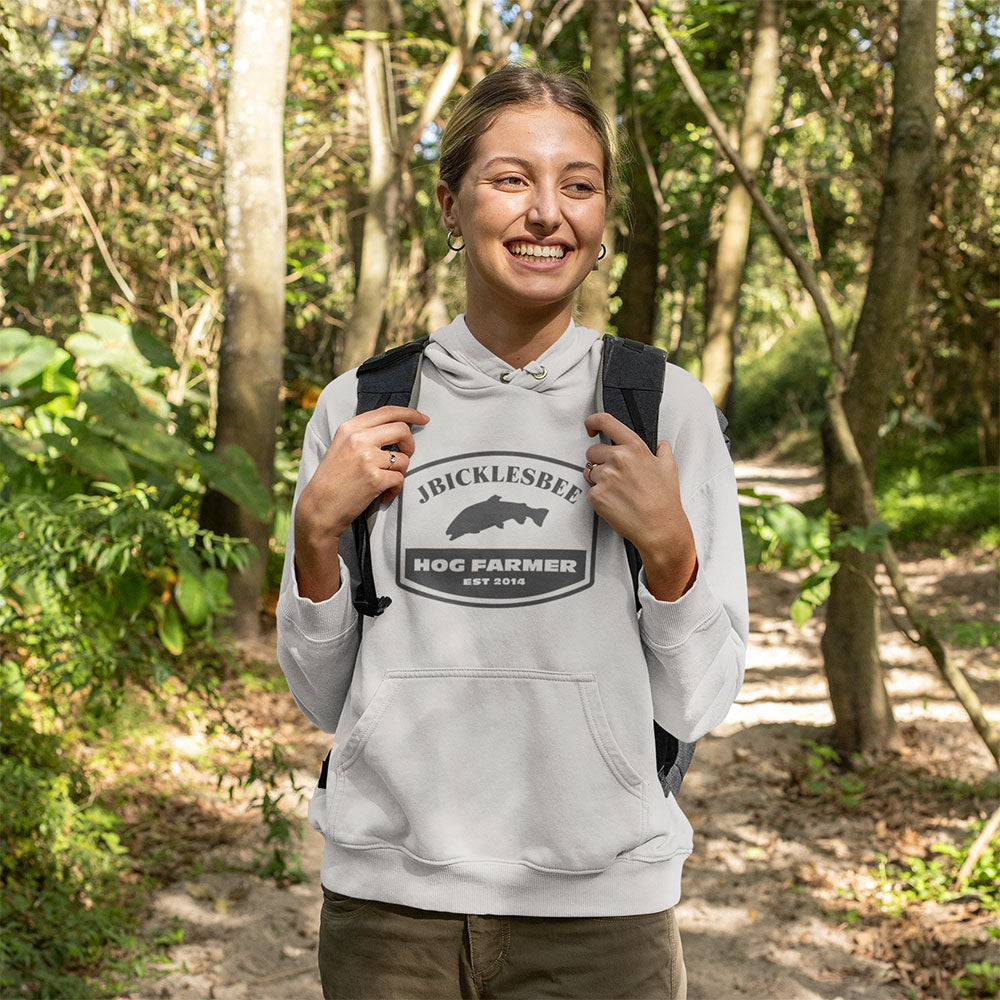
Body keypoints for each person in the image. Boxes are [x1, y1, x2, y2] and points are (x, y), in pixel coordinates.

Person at [276, 63, 748, 1000]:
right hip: (389, 910)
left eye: (579, 185)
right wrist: (314, 538)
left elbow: (699, 704)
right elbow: (325, 699)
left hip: (603, 918)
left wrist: (672, 556)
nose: (547, 213)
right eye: (510, 179)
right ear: (451, 204)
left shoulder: (662, 408)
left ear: (603, 219)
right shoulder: (362, 408)